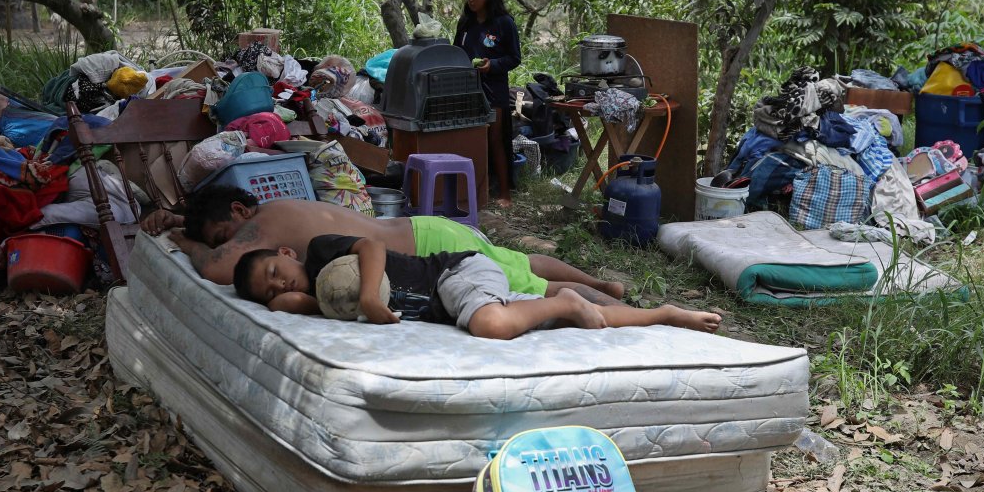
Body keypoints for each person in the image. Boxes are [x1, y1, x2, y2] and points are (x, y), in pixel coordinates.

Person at [146, 186, 625, 304]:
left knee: (532, 288)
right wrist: (185, 222)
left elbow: (218, 268)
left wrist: (182, 240)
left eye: (224, 236)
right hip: (425, 228)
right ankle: (602, 283)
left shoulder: (263, 224)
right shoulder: (281, 208)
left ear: (239, 211)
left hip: (426, 249)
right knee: (518, 261)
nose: (231, 245)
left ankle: (620, 314)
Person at [230, 235, 722, 340]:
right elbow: (298, 303)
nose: (279, 283)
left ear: (286, 252)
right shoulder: (324, 301)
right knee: (575, 321)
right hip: (451, 305)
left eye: (274, 270)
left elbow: (371, 247)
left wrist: (368, 296)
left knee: (490, 324)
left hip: (454, 273)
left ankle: (569, 297)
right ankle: (665, 313)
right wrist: (283, 301)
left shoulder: (320, 252)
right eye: (268, 290)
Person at [455, 0, 521, 207]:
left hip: (494, 90)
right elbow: (456, 51)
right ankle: (473, 192)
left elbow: (514, 58)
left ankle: (504, 193)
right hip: (467, 88)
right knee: (470, 139)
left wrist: (492, 65)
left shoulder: (504, 23)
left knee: (495, 139)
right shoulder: (466, 23)